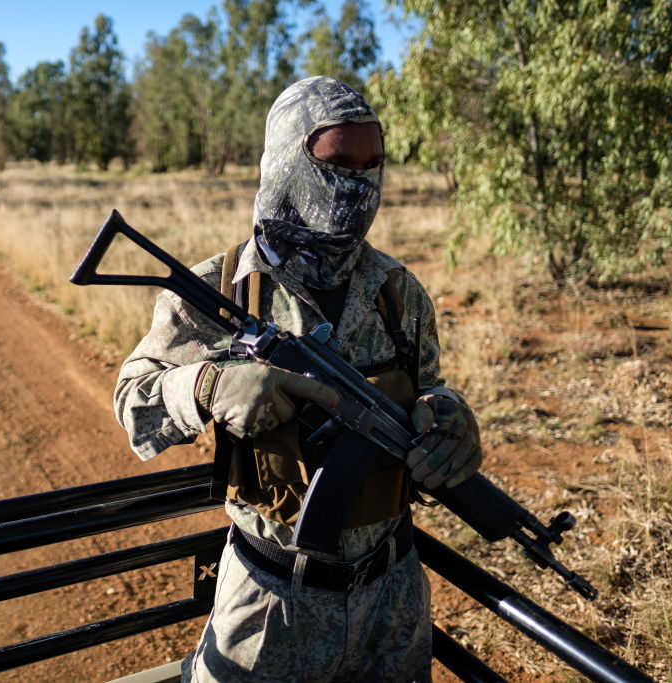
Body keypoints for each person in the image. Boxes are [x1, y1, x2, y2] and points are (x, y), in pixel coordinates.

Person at [114, 76, 482, 682]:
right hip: (269, 605)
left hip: (393, 604)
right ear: (288, 159)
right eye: (336, 162)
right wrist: (206, 387)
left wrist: (448, 413)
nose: (359, 184)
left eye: (373, 164)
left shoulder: (397, 292)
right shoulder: (218, 289)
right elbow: (133, 401)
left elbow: (426, 389)